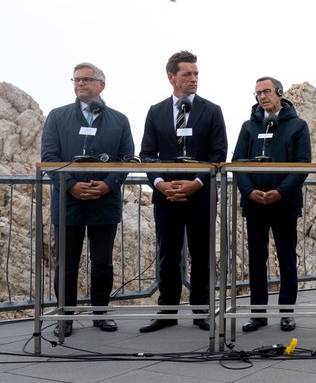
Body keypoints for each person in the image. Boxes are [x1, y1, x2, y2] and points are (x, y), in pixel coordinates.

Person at [41, 62, 135, 337]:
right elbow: (49, 157)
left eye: (86, 79)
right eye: (76, 79)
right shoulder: (57, 117)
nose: (80, 83)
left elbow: (126, 158)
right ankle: (65, 317)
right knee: (66, 264)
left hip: (104, 202)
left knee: (102, 263)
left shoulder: (119, 120)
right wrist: (71, 185)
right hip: (68, 203)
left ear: (101, 85)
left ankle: (101, 313)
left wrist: (108, 185)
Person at [139, 50, 227, 333]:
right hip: (166, 195)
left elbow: (218, 154)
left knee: (201, 254)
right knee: (168, 254)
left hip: (200, 195)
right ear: (171, 77)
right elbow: (147, 154)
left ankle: (202, 312)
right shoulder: (155, 112)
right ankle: (167, 312)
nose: (194, 79)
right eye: (187, 74)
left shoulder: (212, 111)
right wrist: (160, 183)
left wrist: (196, 183)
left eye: (196, 74)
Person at [233, 76, 311, 333]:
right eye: (258, 93)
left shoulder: (298, 125)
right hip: (255, 203)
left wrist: (280, 192)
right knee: (257, 260)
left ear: (279, 92)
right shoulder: (248, 126)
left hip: (284, 203)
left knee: (286, 258)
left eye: (266, 91)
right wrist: (248, 191)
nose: (262, 96)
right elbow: (238, 162)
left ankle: (287, 313)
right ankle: (258, 314)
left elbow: (302, 164)